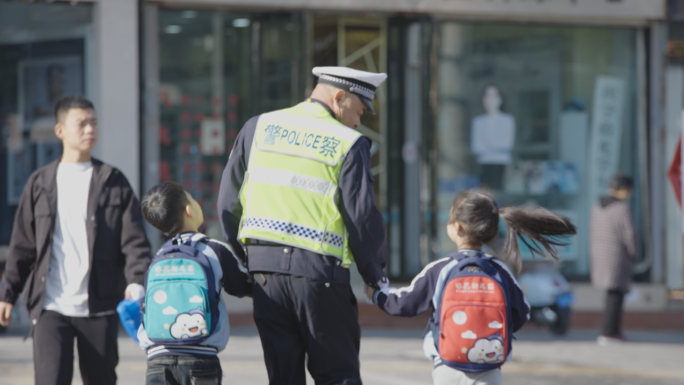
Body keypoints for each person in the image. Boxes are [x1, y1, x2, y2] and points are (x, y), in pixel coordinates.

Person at [217, 66, 389, 385]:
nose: (358, 122)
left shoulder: (258, 127)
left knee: (283, 378)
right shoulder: (349, 142)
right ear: (339, 97)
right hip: (320, 278)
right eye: (359, 111)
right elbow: (362, 218)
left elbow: (228, 203)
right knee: (338, 377)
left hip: (266, 278)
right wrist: (374, 273)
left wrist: (248, 263)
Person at [0, 96, 152, 385]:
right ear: (60, 131)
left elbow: (135, 242)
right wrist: (8, 293)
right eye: (81, 123)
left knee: (101, 380)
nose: (89, 129)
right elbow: (23, 245)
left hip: (99, 305)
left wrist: (136, 282)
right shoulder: (40, 183)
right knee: (50, 379)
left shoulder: (113, 180)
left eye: (93, 122)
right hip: (50, 306)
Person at [368, 189, 576, 385]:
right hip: (490, 367)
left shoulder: (441, 268)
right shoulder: (500, 271)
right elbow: (523, 312)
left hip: (447, 365)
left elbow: (405, 303)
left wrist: (378, 294)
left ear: (456, 228)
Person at [138, 182, 252, 385]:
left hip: (156, 359)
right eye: (191, 197)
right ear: (189, 210)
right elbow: (241, 286)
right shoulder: (212, 250)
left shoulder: (159, 256)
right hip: (201, 359)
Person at [590, 174, 636, 345]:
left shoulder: (598, 206)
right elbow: (630, 235)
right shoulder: (622, 208)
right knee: (615, 296)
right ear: (623, 189)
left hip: (600, 256)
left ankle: (610, 332)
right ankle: (609, 332)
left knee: (611, 295)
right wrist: (634, 254)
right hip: (617, 256)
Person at [470, 85, 516, 190]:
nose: (490, 100)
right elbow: (476, 147)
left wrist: (487, 143)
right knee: (486, 194)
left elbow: (507, 144)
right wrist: (497, 143)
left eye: (493, 96)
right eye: (487, 97)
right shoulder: (478, 122)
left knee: (502, 192)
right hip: (484, 164)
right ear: (483, 100)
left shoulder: (507, 120)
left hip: (502, 164)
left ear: (500, 100)